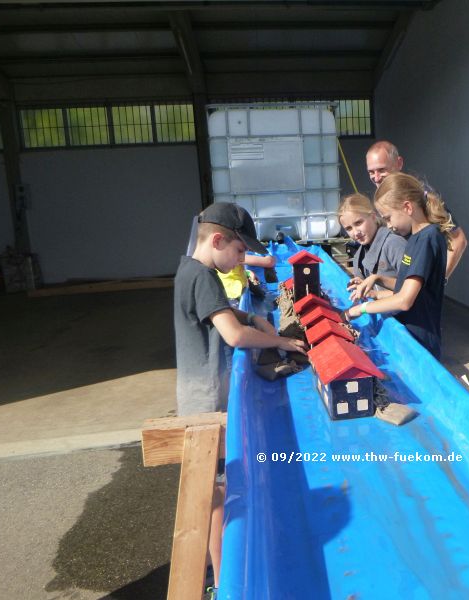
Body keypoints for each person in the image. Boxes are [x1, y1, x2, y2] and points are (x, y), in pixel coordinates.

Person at [174, 202, 306, 594]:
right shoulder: (205, 277)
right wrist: (282, 340)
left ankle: (216, 570)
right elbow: (233, 336)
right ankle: (225, 577)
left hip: (197, 393)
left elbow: (225, 317)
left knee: (214, 490)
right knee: (218, 494)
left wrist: (252, 317)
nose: (240, 259)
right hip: (208, 403)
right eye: (238, 251)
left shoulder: (189, 269)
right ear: (217, 240)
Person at [344, 173, 452, 359]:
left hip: (420, 341)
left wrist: (360, 309)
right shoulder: (413, 239)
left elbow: (404, 300)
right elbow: (408, 288)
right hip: (407, 336)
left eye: (388, 218)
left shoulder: (427, 239)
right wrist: (376, 284)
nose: (388, 225)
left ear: (407, 207)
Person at [365, 140, 468, 282]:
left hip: (413, 285)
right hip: (392, 283)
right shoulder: (381, 196)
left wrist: (438, 281)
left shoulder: (419, 194)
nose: (376, 178)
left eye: (382, 170)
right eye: (371, 172)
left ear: (399, 163)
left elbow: (458, 240)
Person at [337, 193, 406, 301]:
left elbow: (413, 289)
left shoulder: (394, 244)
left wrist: (377, 286)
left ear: (373, 217)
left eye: (358, 223)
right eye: (349, 228)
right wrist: (364, 286)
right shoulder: (359, 255)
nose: (356, 232)